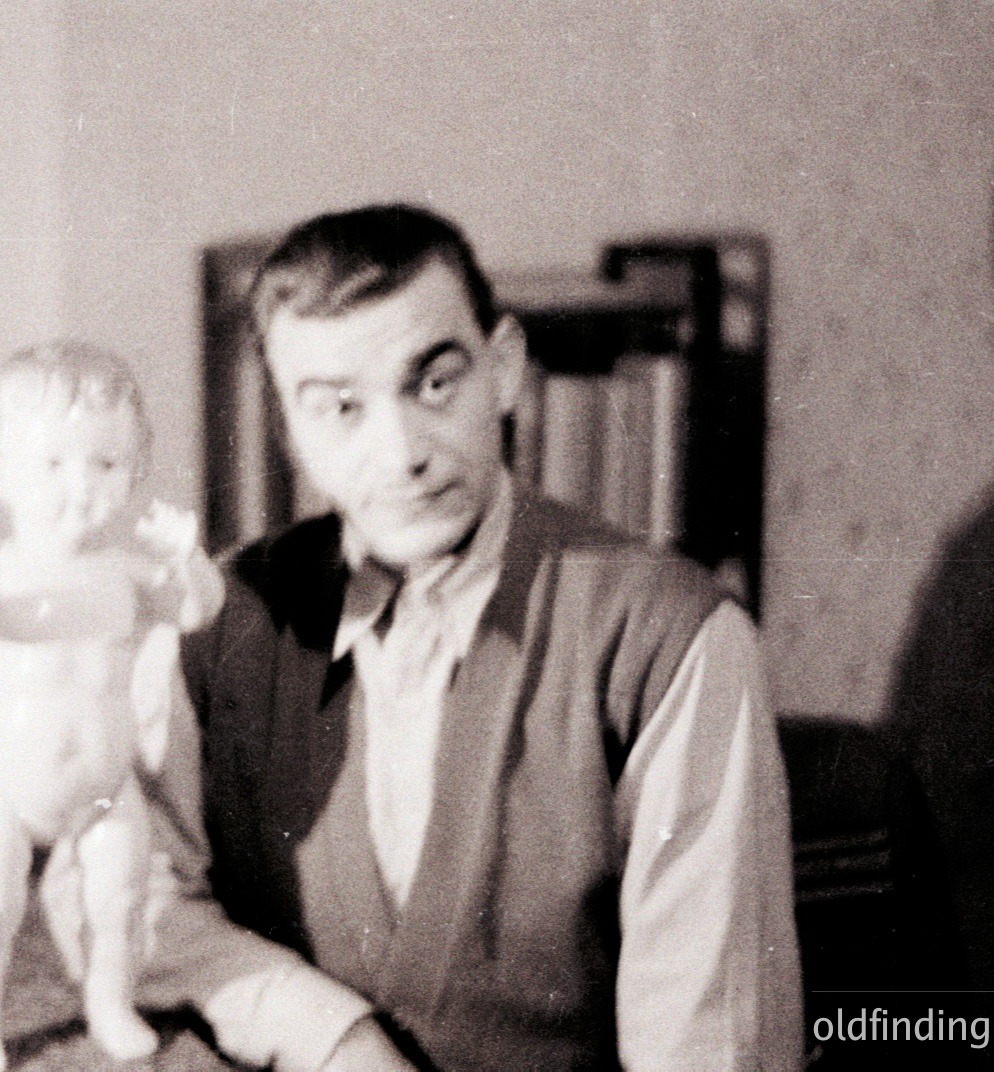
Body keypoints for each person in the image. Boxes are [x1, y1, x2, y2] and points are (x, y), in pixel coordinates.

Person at [116, 203, 803, 1071]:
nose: (402, 451)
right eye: (338, 407)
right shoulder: (212, 622)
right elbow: (125, 909)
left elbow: (711, 1052)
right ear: (289, 429)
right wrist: (331, 1039)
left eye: (434, 384)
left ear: (505, 371)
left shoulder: (672, 641)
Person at [0, 344, 227, 1068]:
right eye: (52, 465)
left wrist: (189, 558)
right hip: (2, 788)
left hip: (105, 788)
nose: (80, 488)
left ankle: (109, 1003)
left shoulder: (127, 573)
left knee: (119, 912)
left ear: (134, 469)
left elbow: (194, 612)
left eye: (105, 465)